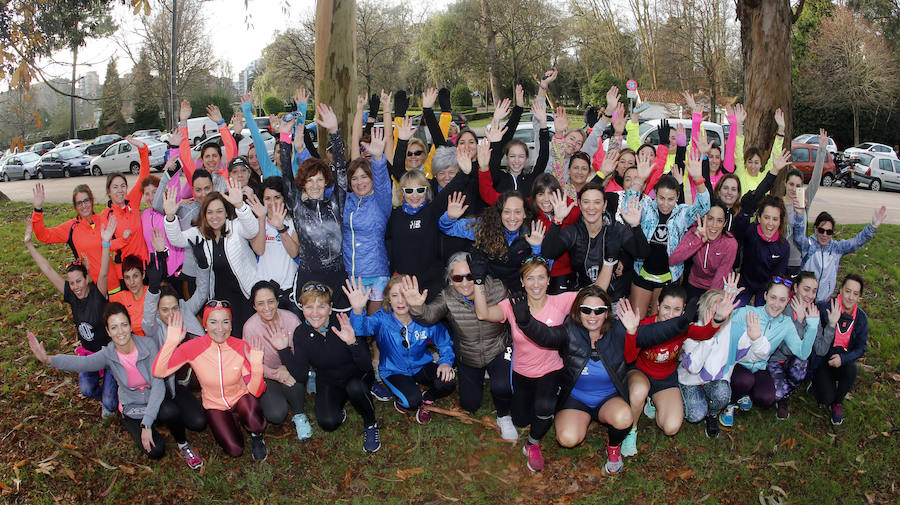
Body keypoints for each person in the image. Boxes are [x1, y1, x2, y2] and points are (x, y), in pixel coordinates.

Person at [509, 289, 699, 475]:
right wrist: (525, 321)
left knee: (625, 417)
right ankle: (572, 426)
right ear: (577, 311)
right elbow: (546, 336)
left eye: (599, 310)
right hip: (576, 400)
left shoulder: (618, 330)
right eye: (586, 310)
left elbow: (655, 332)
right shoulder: (570, 331)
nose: (593, 316)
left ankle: (614, 446)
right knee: (567, 438)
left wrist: (682, 322)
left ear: (607, 312)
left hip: (608, 398)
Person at [26, 303, 203, 468]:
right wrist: (49, 360)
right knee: (156, 452)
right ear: (108, 332)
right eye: (114, 327)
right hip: (132, 408)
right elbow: (82, 363)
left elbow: (158, 386)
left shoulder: (148, 345)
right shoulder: (108, 355)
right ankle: (138, 424)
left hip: (153, 401)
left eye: (124, 325)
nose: (120, 332)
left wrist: (147, 424)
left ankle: (183, 444)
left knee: (171, 411)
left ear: (130, 325)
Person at [473, 256, 575, 472]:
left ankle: (533, 444)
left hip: (551, 369)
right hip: (521, 372)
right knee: (520, 419)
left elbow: (594, 297)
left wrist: (610, 261)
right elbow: (482, 313)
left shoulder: (560, 301)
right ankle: (539, 415)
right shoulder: (512, 305)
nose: (536, 284)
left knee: (544, 409)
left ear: (549, 280)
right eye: (530, 278)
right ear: (522, 281)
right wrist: (479, 281)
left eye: (541, 278)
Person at [401, 255, 516, 440]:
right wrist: (417, 308)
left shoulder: (497, 288)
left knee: (502, 387)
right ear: (450, 280)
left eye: (470, 276)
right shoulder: (448, 296)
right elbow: (428, 317)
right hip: (468, 354)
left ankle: (504, 416)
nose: (465, 283)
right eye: (457, 278)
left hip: (498, 347)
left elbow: (513, 318)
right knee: (470, 405)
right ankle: (485, 374)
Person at [620, 280, 738, 456]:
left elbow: (704, 333)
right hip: (640, 374)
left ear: (683, 311)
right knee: (639, 390)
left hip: (665, 379)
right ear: (658, 305)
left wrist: (718, 318)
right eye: (666, 307)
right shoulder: (645, 326)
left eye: (677, 310)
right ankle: (631, 431)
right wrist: (631, 332)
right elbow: (629, 357)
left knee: (671, 427)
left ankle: (653, 401)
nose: (670, 314)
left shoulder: (682, 328)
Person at [268, 282, 381, 452]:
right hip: (329, 381)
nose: (314, 313)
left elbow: (365, 365)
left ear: (330, 308)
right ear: (302, 309)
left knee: (355, 388)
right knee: (328, 422)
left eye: (321, 307)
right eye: (308, 307)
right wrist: (284, 350)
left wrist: (353, 342)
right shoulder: (301, 333)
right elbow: (300, 375)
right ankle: (340, 405)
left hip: (356, 375)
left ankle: (371, 424)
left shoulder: (344, 322)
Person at [25, 216, 118, 417]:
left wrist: (105, 242)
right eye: (72, 283)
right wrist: (29, 245)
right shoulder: (71, 295)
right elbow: (47, 269)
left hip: (108, 353)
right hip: (88, 355)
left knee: (111, 404)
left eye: (78, 281)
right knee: (87, 390)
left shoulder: (97, 294)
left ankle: (114, 393)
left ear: (87, 279)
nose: (75, 286)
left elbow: (103, 273)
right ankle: (106, 394)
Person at [153, 306, 268, 460]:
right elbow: (159, 372)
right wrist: (171, 342)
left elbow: (256, 392)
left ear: (231, 325)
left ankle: (256, 435)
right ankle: (232, 422)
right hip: (215, 405)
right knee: (235, 450)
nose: (220, 328)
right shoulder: (193, 347)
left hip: (240, 399)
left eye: (225, 322)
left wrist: (256, 367)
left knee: (256, 422)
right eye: (213, 322)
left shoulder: (241, 346)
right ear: (205, 325)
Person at [345, 276, 456, 425]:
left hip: (421, 365)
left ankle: (428, 398)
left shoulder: (424, 319)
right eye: (395, 295)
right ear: (388, 299)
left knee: (448, 381)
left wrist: (445, 362)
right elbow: (360, 329)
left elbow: (445, 343)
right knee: (412, 401)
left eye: (404, 295)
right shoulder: (382, 319)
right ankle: (407, 399)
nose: (400, 301)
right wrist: (357, 309)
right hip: (393, 370)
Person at [278, 101, 352, 310]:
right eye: (309, 181)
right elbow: (286, 175)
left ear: (326, 181)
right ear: (303, 183)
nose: (315, 185)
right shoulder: (297, 208)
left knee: (341, 333)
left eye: (319, 180)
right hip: (309, 278)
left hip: (337, 278)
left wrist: (334, 133)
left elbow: (340, 171)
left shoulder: (336, 202)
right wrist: (284, 138)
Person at [164, 178, 259, 338]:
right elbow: (177, 240)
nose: (215, 216)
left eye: (219, 211)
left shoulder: (235, 227)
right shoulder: (200, 233)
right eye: (210, 212)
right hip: (221, 299)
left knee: (248, 338)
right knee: (228, 339)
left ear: (226, 212)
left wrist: (240, 206)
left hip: (246, 295)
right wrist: (170, 217)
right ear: (204, 214)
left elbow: (252, 230)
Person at [678, 289, 771, 437]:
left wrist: (757, 339)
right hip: (691, 381)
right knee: (696, 415)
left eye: (724, 308)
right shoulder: (693, 330)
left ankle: (712, 414)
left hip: (715, 380)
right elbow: (694, 368)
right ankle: (680, 397)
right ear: (705, 309)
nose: (720, 313)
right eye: (715, 308)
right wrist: (708, 336)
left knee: (722, 395)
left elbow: (753, 357)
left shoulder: (733, 330)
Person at [629, 151, 711, 318]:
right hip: (642, 272)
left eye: (670, 199)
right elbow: (628, 203)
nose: (665, 204)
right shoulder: (646, 205)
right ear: (655, 195)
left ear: (677, 197)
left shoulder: (683, 213)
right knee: (637, 320)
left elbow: (704, 207)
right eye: (661, 198)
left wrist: (698, 179)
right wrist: (639, 180)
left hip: (669, 275)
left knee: (660, 321)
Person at [723, 277, 818, 418]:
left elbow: (803, 353)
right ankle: (729, 403)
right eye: (773, 297)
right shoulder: (747, 313)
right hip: (737, 364)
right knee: (744, 380)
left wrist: (812, 327)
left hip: (760, 367)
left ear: (787, 302)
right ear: (765, 295)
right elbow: (719, 325)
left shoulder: (786, 324)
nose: (776, 304)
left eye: (782, 300)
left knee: (767, 398)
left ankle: (744, 393)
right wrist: (725, 299)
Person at [541, 181, 646, 301]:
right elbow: (548, 253)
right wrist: (557, 220)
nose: (591, 207)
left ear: (604, 205)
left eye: (597, 202)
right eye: (586, 202)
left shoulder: (616, 229)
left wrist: (636, 226)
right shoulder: (573, 232)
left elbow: (641, 253)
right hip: (581, 296)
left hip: (613, 298)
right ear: (579, 205)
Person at [439, 190, 545, 291]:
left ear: (525, 214)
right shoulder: (484, 226)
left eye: (517, 212)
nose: (512, 218)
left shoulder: (534, 230)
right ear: (500, 213)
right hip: (491, 288)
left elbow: (543, 269)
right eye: (507, 212)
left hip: (520, 287)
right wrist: (450, 217)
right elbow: (448, 228)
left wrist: (536, 248)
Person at [242, 281, 309, 439]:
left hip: (290, 367)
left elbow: (302, 353)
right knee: (276, 415)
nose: (267, 307)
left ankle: (300, 415)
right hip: (267, 373)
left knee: (295, 380)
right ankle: (275, 396)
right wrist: (274, 374)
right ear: (254, 306)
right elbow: (250, 362)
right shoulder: (250, 328)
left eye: (271, 301)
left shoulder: (291, 320)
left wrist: (288, 366)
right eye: (260, 303)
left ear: (278, 301)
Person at [31, 183, 121, 292]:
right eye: (79, 203)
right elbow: (43, 236)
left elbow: (121, 244)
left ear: (92, 200)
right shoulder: (71, 227)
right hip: (91, 288)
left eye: (86, 200)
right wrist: (37, 209)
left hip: (113, 286)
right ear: (75, 206)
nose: (84, 206)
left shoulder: (104, 220)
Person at [341, 126, 391, 314]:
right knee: (357, 326)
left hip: (377, 274)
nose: (359, 182)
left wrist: (378, 159)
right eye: (354, 178)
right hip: (353, 276)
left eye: (364, 177)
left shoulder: (381, 200)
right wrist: (299, 150)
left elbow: (383, 183)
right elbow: (318, 185)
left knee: (375, 326)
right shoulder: (346, 200)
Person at [792, 203, 886, 303]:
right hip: (804, 300)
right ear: (815, 229)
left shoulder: (837, 248)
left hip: (824, 301)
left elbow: (856, 242)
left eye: (829, 232)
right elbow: (798, 237)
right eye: (821, 230)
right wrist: (799, 215)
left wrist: (872, 227)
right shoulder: (808, 245)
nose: (824, 235)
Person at [811, 274, 868, 425]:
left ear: (859, 297)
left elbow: (861, 347)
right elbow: (815, 341)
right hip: (824, 359)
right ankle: (816, 382)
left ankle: (837, 403)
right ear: (841, 290)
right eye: (848, 291)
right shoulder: (825, 308)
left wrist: (843, 359)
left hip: (842, 360)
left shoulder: (861, 318)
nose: (850, 297)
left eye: (855, 294)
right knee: (824, 399)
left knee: (852, 369)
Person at [767, 271, 819, 420]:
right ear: (795, 288)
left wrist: (832, 325)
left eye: (814, 291)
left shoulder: (813, 311)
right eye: (806, 289)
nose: (810, 295)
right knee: (775, 394)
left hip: (794, 360)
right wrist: (800, 322)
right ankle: (783, 392)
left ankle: (786, 389)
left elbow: (820, 349)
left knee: (801, 366)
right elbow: (784, 348)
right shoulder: (782, 307)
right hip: (776, 359)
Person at [100, 137, 153, 278]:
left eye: (123, 186)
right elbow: (106, 245)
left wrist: (142, 148)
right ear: (109, 191)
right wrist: (123, 240)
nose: (120, 190)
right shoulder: (106, 215)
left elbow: (144, 173)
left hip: (145, 266)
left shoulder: (132, 201)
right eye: (115, 187)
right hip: (126, 273)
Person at [668, 201, 738, 302]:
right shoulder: (694, 233)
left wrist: (709, 302)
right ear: (703, 218)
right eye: (710, 219)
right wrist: (698, 241)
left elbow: (720, 277)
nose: (714, 225)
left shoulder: (730, 243)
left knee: (707, 313)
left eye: (719, 221)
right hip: (694, 282)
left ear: (724, 224)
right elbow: (673, 260)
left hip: (717, 286)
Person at [248, 177, 299, 307]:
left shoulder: (293, 221)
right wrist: (261, 219)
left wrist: (281, 228)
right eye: (267, 198)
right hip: (264, 292)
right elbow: (259, 250)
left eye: (277, 197)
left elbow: (294, 253)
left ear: (284, 198)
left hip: (289, 290)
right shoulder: (256, 222)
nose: (272, 202)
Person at [733, 196, 790, 307]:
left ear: (780, 222)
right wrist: (745, 211)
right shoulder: (750, 231)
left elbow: (778, 275)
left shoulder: (783, 246)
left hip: (766, 287)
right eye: (766, 217)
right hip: (745, 282)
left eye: (775, 219)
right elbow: (738, 230)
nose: (770, 223)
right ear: (759, 218)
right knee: (735, 309)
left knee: (764, 315)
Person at [109, 254, 148, 336]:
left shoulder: (152, 294)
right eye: (127, 277)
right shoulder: (120, 298)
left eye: (135, 276)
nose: (132, 282)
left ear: (143, 275)